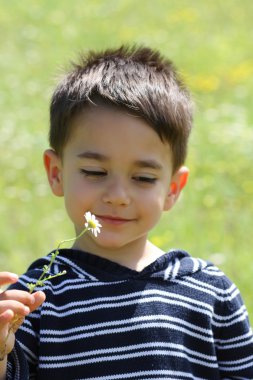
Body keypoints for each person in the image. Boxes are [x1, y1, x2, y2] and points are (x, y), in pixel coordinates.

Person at [0, 45, 253, 379]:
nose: (118, 196)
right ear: (56, 172)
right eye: (95, 172)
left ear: (173, 189)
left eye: (143, 178)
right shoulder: (37, 296)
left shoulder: (210, 291)